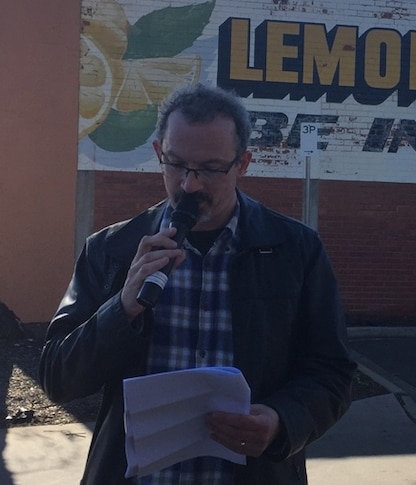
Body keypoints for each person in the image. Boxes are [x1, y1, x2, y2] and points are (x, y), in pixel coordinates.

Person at [39, 83, 355, 484]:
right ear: (158, 154)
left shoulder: (296, 250)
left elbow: (333, 371)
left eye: (209, 168)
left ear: (243, 163)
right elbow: (57, 377)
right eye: (176, 164)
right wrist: (123, 308)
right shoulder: (111, 250)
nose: (190, 185)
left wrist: (282, 421)